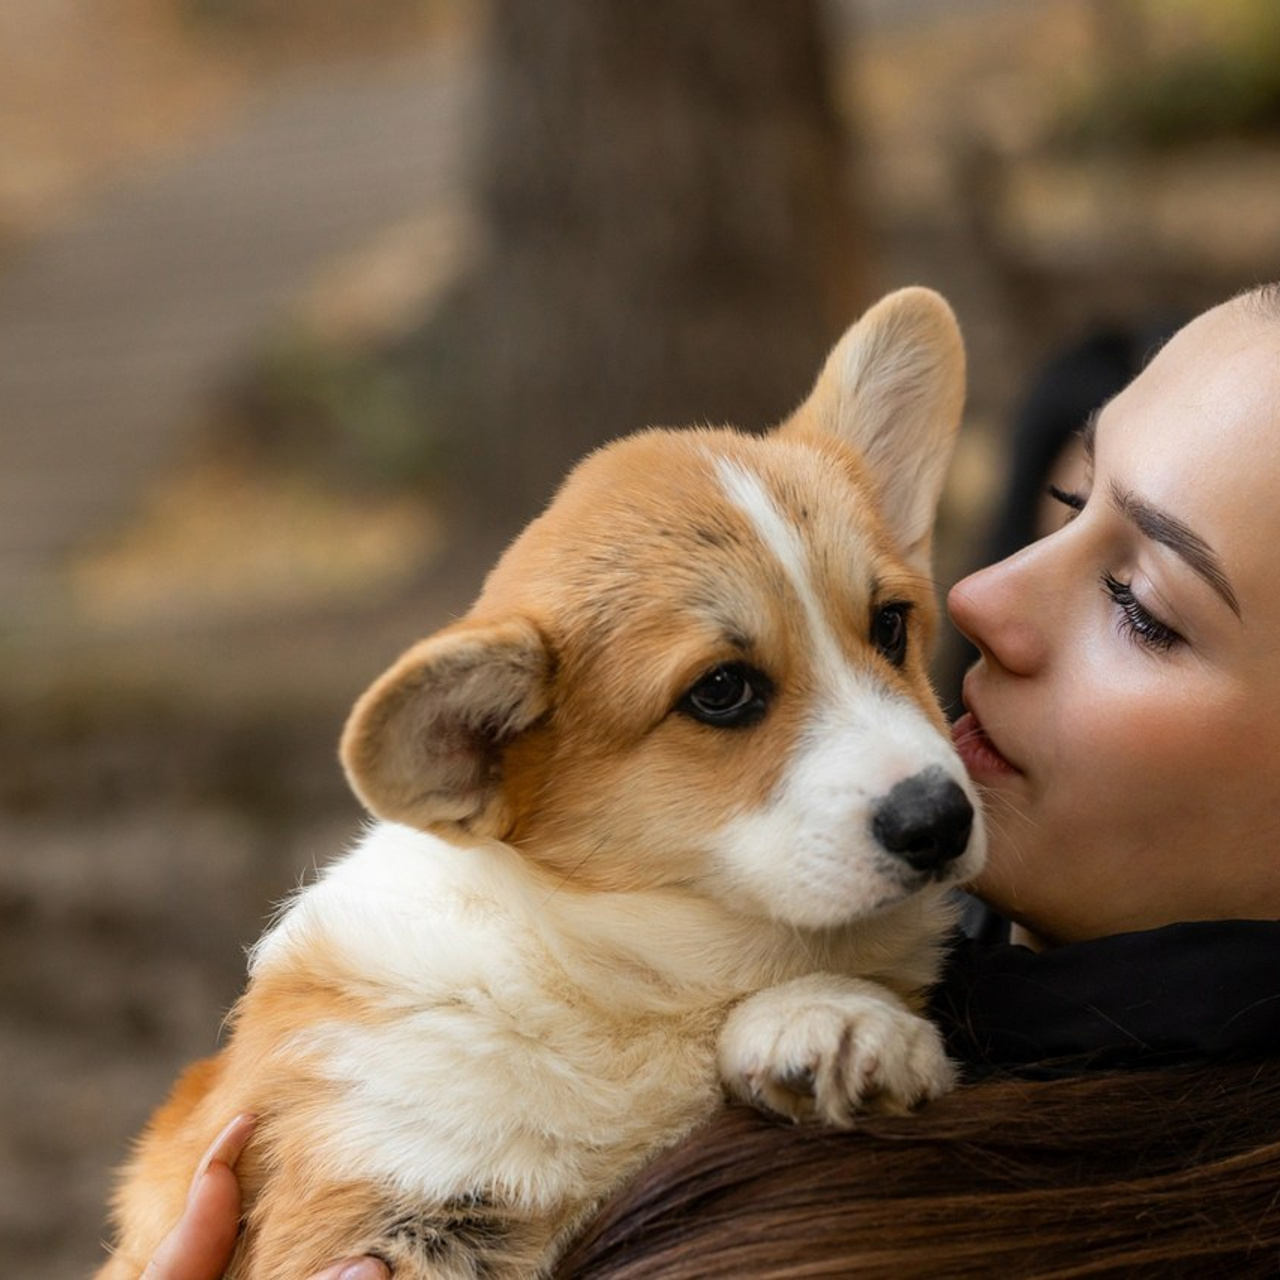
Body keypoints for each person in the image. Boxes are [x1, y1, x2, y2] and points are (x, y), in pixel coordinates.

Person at [143, 284, 1280, 1276]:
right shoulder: (393, 1059)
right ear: (482, 747)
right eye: (1067, 503)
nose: (978, 598)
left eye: (1141, 606)